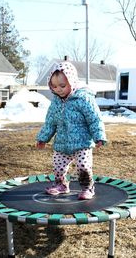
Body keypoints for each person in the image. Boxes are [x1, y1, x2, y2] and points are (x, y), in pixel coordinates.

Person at [36, 61, 107, 200]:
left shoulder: (83, 98)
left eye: (63, 85)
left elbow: (94, 119)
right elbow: (50, 123)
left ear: (72, 82)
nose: (59, 89)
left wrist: (99, 136)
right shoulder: (55, 102)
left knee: (83, 167)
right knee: (58, 166)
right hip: (62, 144)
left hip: (82, 144)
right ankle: (61, 185)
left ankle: (87, 187)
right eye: (54, 86)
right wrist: (43, 138)